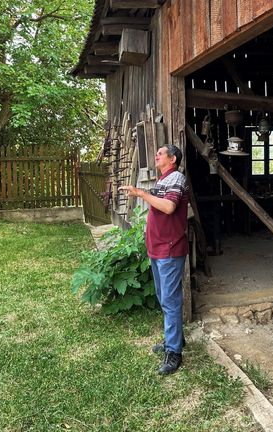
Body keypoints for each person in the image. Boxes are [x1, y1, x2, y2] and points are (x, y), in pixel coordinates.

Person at [119, 144, 189, 375]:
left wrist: (141, 193)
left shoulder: (176, 177)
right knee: (164, 297)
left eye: (161, 153)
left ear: (173, 159)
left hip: (170, 248)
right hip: (158, 248)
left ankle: (174, 352)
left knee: (169, 300)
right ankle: (175, 340)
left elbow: (169, 207)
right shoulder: (163, 180)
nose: (156, 155)